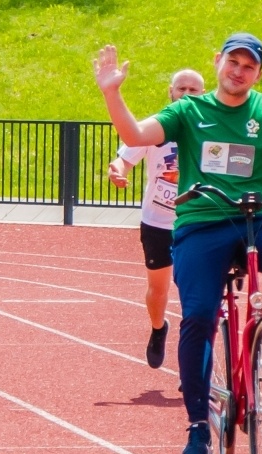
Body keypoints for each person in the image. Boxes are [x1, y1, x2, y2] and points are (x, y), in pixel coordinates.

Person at [93, 32, 262, 454]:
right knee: (198, 315)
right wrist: (112, 93)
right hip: (201, 225)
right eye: (233, 62)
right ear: (218, 61)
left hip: (254, 219)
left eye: (249, 66)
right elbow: (135, 133)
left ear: (258, 73)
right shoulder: (189, 110)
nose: (239, 71)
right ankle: (199, 422)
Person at [106, 69, 205, 369]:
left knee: (195, 292)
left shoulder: (211, 129)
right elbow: (124, 159)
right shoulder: (157, 126)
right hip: (158, 222)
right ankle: (158, 328)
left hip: (197, 222)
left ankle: (194, 358)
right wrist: (117, 171)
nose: (187, 94)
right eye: (181, 88)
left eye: (194, 90)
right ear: (170, 92)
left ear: (204, 95)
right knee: (158, 290)